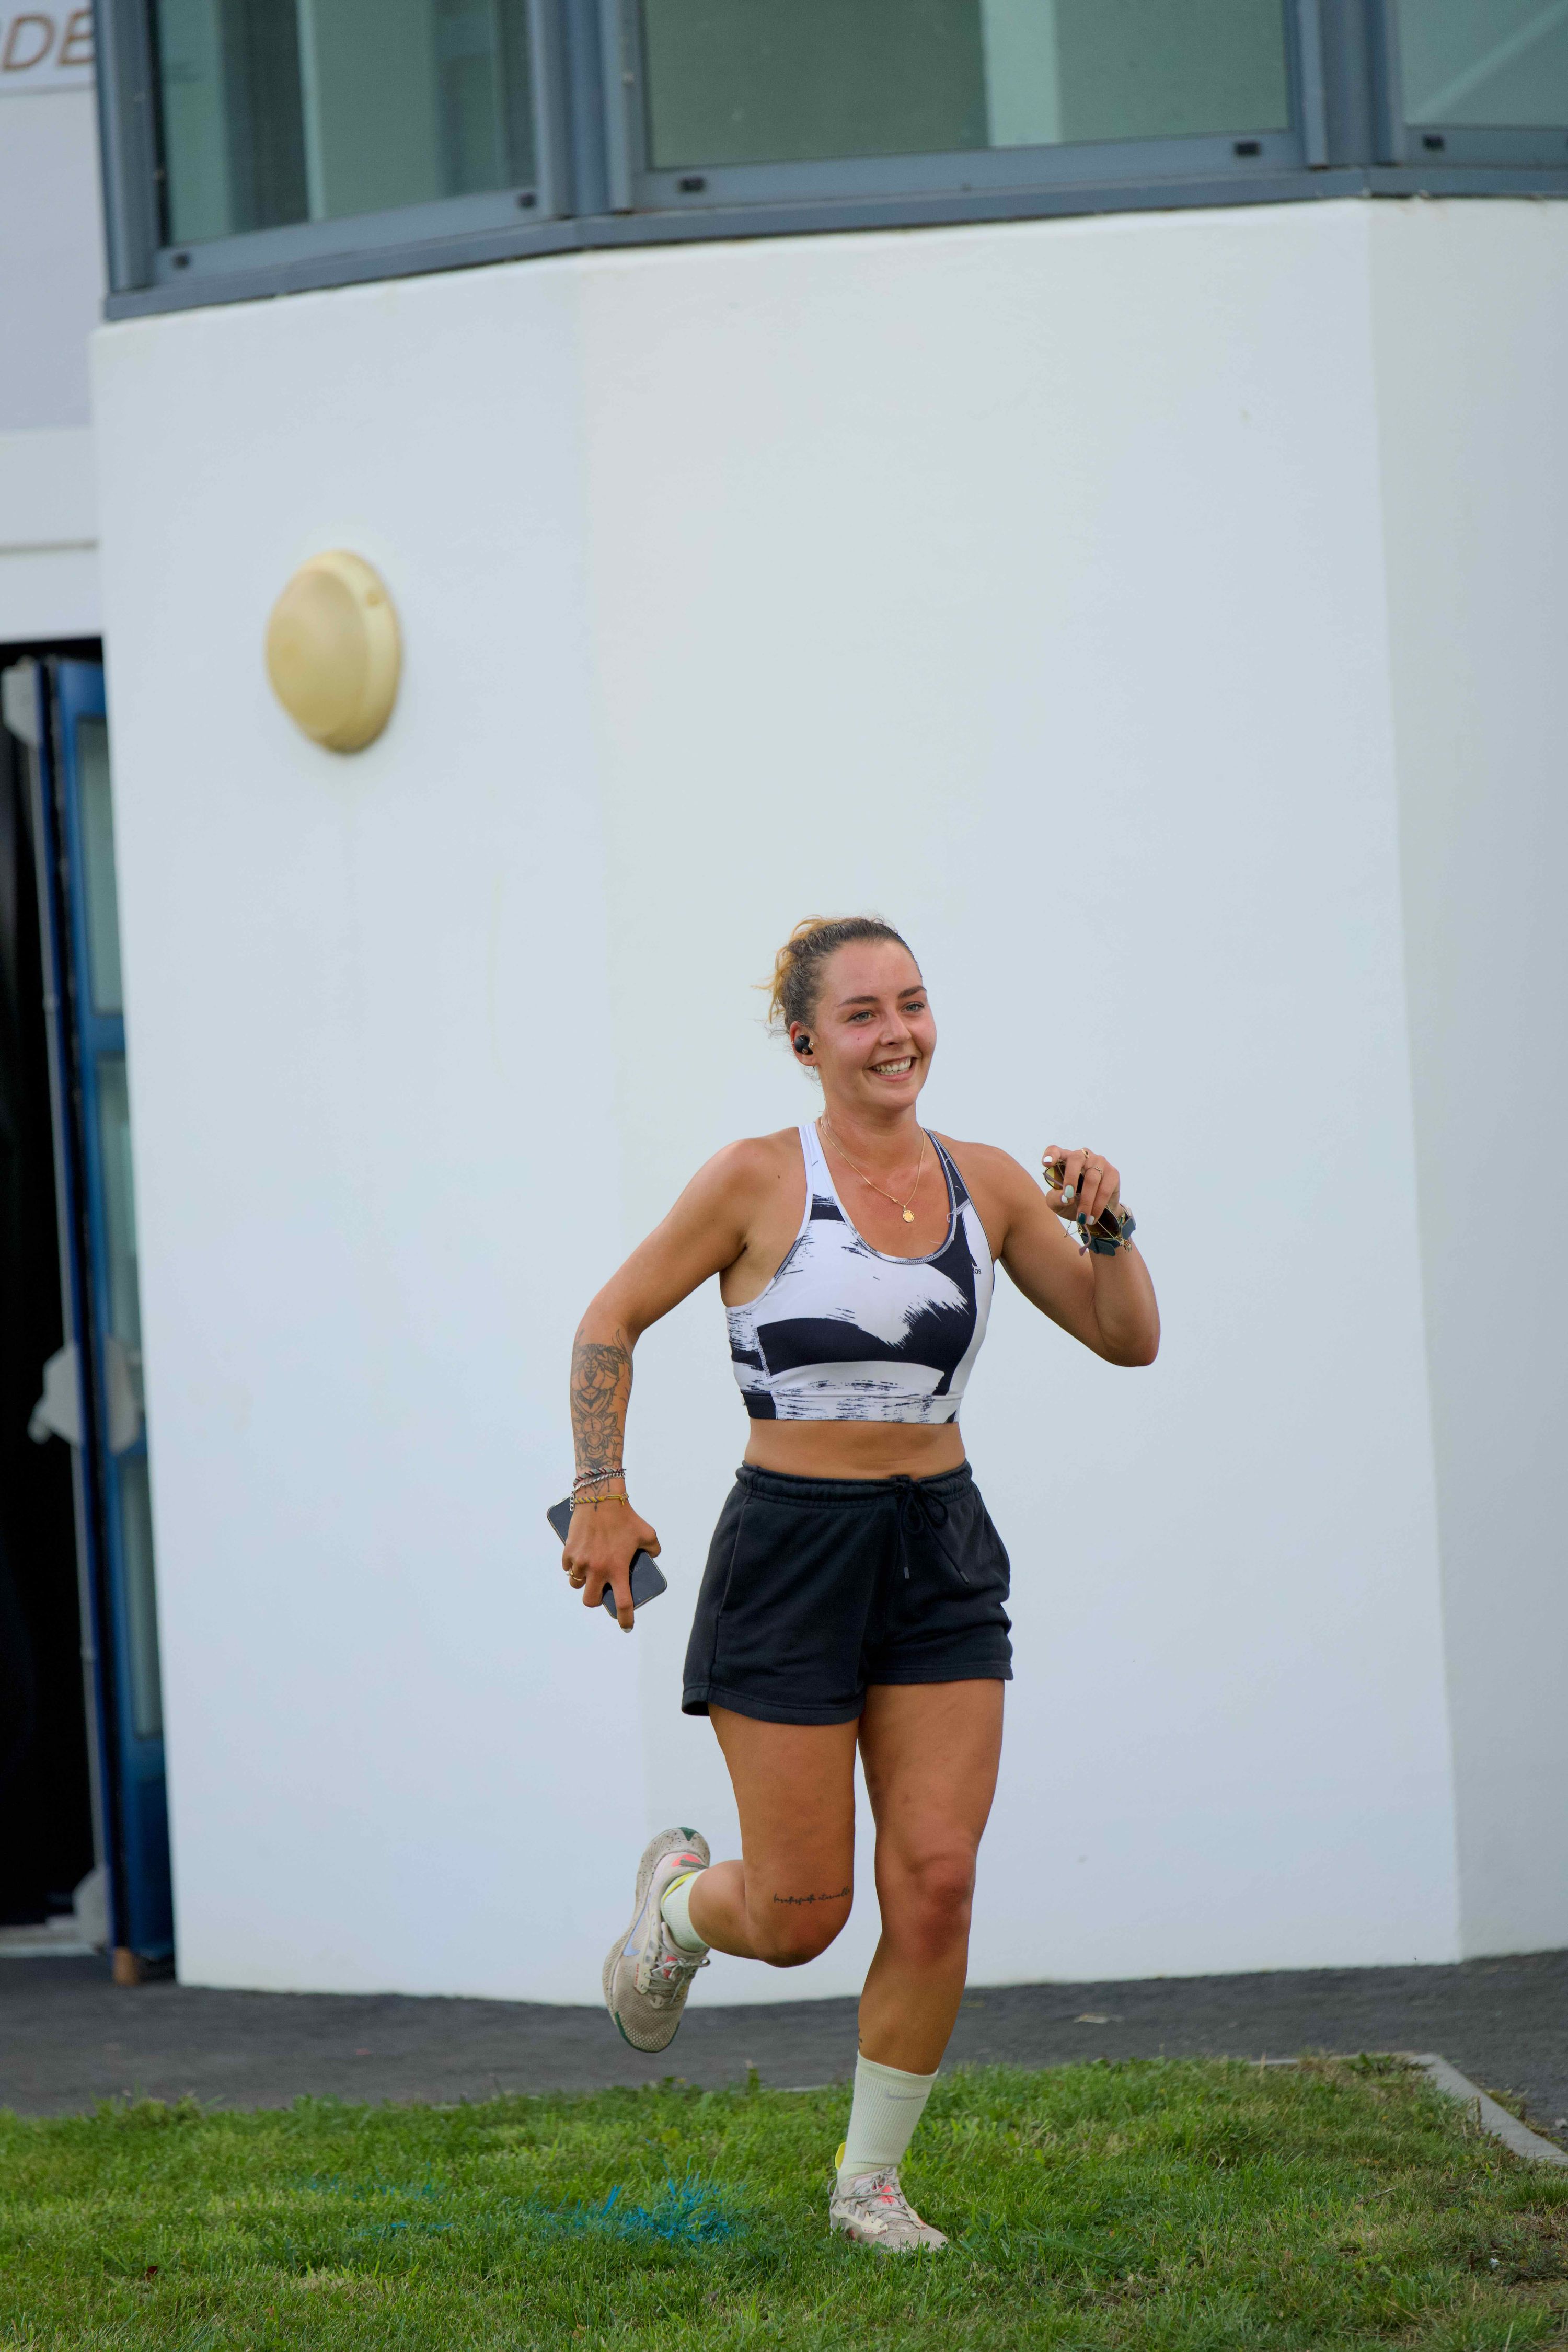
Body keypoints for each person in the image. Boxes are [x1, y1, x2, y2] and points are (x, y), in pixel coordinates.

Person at [559, 914, 1159, 2252]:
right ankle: (678, 1912)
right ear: (805, 1042)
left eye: (914, 1004)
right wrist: (600, 1491)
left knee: (937, 1881)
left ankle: (868, 2187)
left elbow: (1127, 1340)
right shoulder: (756, 1178)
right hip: (791, 1551)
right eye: (863, 1014)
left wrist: (1108, 1227)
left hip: (939, 1547)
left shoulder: (987, 1182)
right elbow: (611, 1318)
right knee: (799, 1917)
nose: (899, 1035)